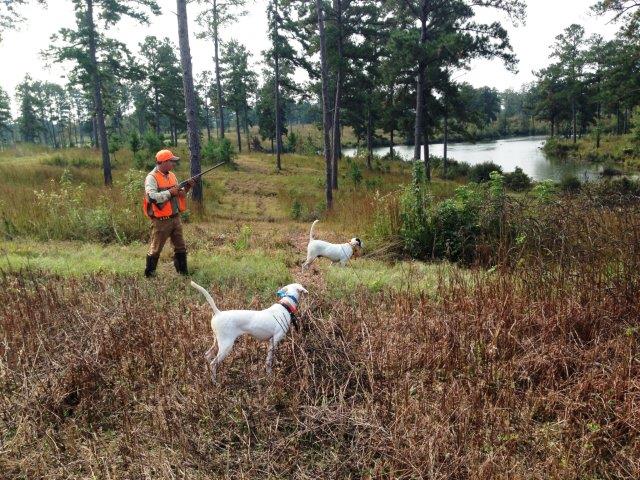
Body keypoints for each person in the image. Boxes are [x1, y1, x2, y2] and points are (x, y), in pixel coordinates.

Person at [143, 149, 195, 277]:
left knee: (181, 247)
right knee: (155, 250)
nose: (173, 164)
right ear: (164, 162)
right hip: (161, 221)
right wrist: (170, 192)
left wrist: (188, 187)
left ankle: (183, 274)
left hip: (175, 218)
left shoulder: (172, 175)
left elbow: (179, 194)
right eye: (171, 161)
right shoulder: (151, 177)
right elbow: (151, 197)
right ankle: (149, 275)